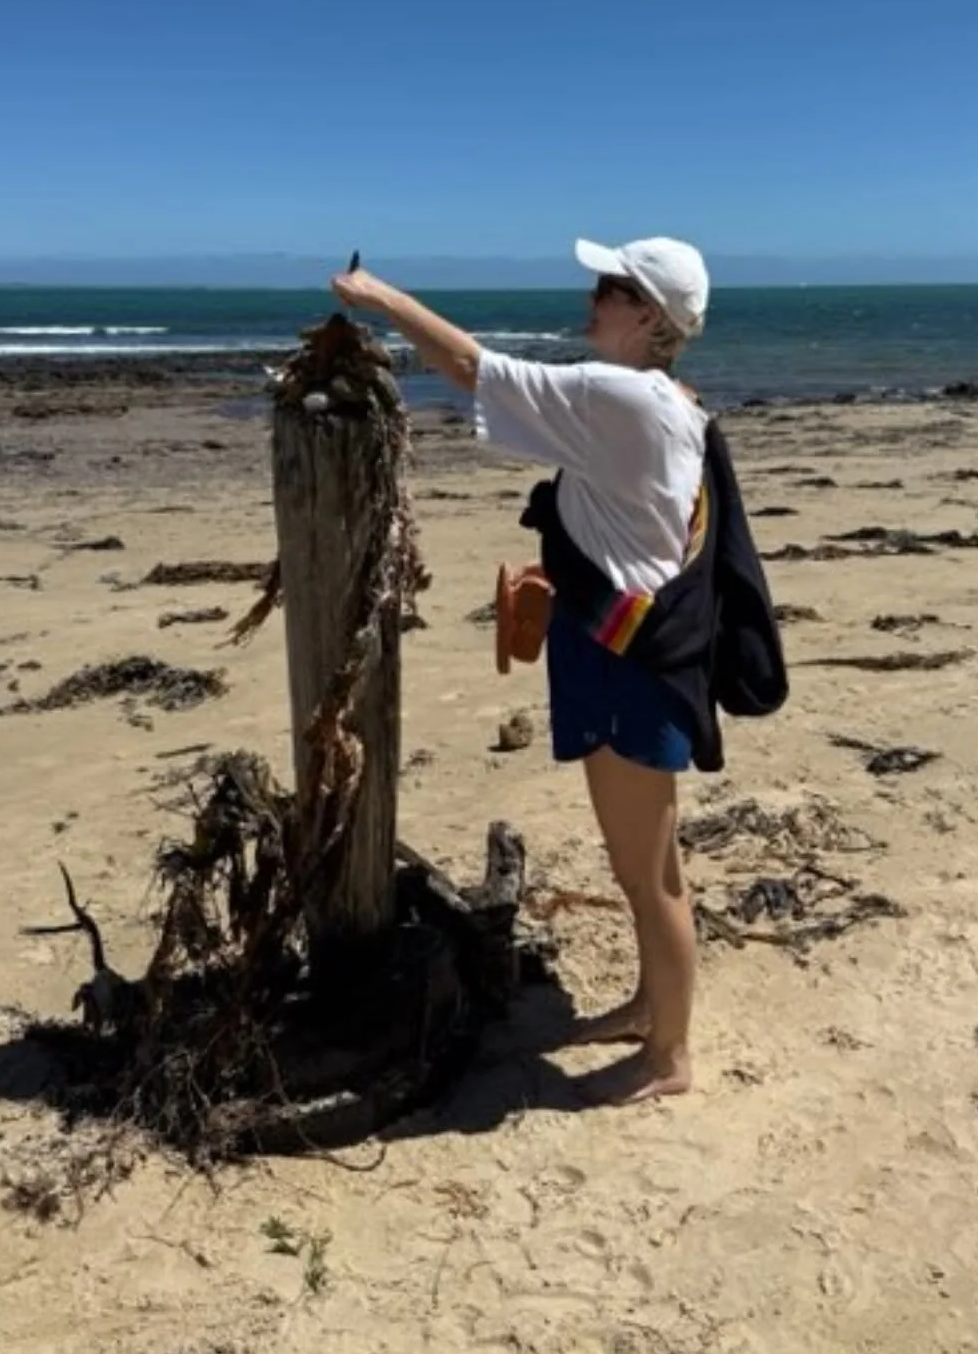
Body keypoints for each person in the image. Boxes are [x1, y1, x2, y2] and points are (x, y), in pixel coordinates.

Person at [332, 237, 785, 1105]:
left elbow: (471, 367)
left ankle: (672, 1057)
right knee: (642, 867)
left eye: (610, 286)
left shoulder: (619, 396)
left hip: (631, 664)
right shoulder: (660, 398)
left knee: (649, 878)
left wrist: (380, 296)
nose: (592, 294)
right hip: (624, 650)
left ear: (648, 316)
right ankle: (652, 1006)